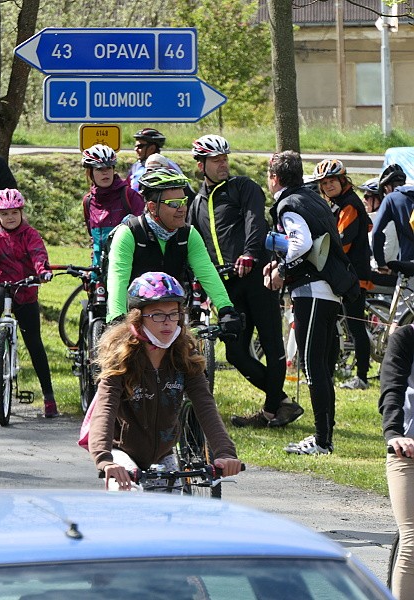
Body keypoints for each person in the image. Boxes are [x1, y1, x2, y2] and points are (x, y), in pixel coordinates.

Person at [86, 271, 242, 491]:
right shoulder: (121, 360)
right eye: (157, 315)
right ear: (138, 319)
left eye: (173, 314)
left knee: (173, 506)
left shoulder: (184, 357)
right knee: (127, 495)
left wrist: (225, 452)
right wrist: (105, 459)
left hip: (163, 453)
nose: (167, 323)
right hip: (122, 452)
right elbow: (105, 408)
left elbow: (205, 406)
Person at [187, 134, 303, 428]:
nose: (223, 164)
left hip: (256, 277)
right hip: (227, 285)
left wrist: (250, 253)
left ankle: (271, 410)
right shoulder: (197, 203)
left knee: (271, 343)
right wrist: (197, 280)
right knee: (236, 352)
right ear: (201, 165)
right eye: (216, 160)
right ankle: (282, 403)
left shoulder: (243, 187)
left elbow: (255, 221)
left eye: (225, 158)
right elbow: (195, 244)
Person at [265, 150, 360, 455]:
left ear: (274, 178)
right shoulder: (311, 198)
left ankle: (322, 441)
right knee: (318, 366)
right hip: (325, 289)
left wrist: (281, 270)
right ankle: (324, 438)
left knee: (312, 366)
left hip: (314, 290)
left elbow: (302, 243)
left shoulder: (289, 203)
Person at [105, 167, 241, 343]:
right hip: (137, 317)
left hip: (172, 317)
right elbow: (118, 279)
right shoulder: (129, 233)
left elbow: (207, 273)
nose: (182, 209)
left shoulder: (188, 235)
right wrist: (117, 319)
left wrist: (226, 309)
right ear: (152, 207)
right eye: (174, 204)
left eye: (184, 201)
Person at [0, 189, 57, 417]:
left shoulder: (30, 234)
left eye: (14, 213)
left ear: (22, 213)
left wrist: (42, 271)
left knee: (34, 343)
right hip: (2, 284)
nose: (10, 218)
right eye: (4, 214)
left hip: (25, 290)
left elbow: (38, 254)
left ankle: (49, 397)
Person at [312, 159, 373, 390]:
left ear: (342, 180)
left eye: (332, 181)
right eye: (324, 183)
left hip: (354, 276)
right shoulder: (338, 203)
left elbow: (341, 242)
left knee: (356, 327)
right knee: (334, 324)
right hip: (345, 275)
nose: (328, 186)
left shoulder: (349, 205)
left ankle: (362, 377)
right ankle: (329, 371)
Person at [379, 324, 414, 599]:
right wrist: (394, 434)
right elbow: (392, 389)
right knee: (413, 540)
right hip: (408, 453)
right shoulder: (406, 338)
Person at [80, 143, 144, 267]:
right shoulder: (88, 201)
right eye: (99, 169)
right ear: (90, 172)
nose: (105, 173)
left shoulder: (129, 195)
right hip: (99, 270)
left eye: (109, 168)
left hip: (126, 268)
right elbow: (95, 240)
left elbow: (144, 234)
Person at [372, 163, 414, 325]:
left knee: (398, 322)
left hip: (409, 267)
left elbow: (377, 233)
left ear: (386, 188)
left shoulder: (391, 198)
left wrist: (381, 263)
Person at [359, 177, 398, 289]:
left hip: (386, 273)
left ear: (380, 199)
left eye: (367, 197)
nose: (363, 200)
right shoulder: (372, 219)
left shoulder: (389, 223)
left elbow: (385, 254)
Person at [125, 127, 183, 193]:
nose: (135, 149)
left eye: (140, 146)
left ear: (152, 148)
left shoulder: (168, 165)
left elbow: (187, 191)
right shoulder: (136, 166)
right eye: (135, 146)